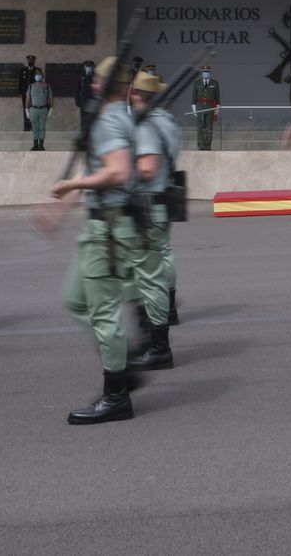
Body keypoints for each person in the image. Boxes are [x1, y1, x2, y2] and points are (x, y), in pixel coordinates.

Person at [40, 57, 144, 424]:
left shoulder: (112, 119)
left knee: (103, 312)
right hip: (100, 226)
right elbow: (97, 167)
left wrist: (71, 185)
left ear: (98, 86)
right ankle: (124, 366)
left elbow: (116, 172)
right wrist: (61, 209)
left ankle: (116, 395)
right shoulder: (114, 117)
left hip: (109, 231)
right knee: (75, 300)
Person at [126, 71, 181, 370]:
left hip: (147, 202)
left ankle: (158, 346)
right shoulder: (167, 121)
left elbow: (146, 168)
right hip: (162, 200)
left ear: (135, 94)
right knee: (153, 270)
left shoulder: (145, 123)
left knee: (148, 279)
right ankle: (153, 335)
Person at [191, 65, 220, 152]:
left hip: (210, 106)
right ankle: (200, 145)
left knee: (208, 127)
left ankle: (207, 146)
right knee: (200, 127)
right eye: (204, 72)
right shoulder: (197, 83)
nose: (205, 73)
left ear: (209, 73)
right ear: (202, 73)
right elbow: (193, 98)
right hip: (200, 106)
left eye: (207, 72)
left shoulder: (215, 83)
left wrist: (217, 110)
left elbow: (217, 98)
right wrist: (194, 110)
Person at [25, 66, 52, 151]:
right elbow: (28, 98)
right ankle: (35, 145)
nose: (38, 76)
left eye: (39, 74)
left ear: (42, 75)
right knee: (34, 127)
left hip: (43, 109)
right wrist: (26, 110)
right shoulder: (30, 86)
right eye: (36, 74)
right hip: (33, 109)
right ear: (34, 76)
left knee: (42, 127)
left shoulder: (47, 86)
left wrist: (51, 109)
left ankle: (41, 145)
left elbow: (51, 98)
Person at [18, 55, 39, 131]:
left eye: (32, 60)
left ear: (34, 61)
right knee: (26, 109)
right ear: (27, 61)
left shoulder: (38, 70)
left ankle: (33, 126)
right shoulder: (23, 70)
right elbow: (20, 82)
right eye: (29, 60)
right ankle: (26, 126)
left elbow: (39, 82)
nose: (30, 61)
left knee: (34, 109)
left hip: (34, 93)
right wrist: (20, 92)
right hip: (25, 93)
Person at [75, 60, 96, 132]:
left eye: (90, 66)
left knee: (91, 119)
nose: (88, 68)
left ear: (92, 67)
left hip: (92, 101)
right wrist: (77, 100)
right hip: (83, 101)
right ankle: (83, 133)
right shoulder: (81, 76)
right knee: (83, 118)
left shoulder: (95, 76)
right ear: (84, 67)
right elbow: (77, 89)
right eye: (87, 66)